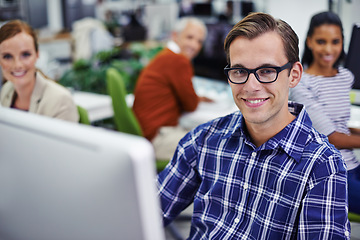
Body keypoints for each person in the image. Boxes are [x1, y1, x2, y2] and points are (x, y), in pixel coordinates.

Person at [157, 12, 350, 239]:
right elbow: (147, 210)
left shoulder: (322, 167)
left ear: (294, 75)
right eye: (239, 71)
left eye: (266, 71)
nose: (251, 86)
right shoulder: (204, 139)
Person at [290, 11, 360, 215]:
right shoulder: (302, 83)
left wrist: (354, 131)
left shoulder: (345, 77)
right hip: (329, 172)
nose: (329, 49)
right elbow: (330, 137)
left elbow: (338, 123)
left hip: (352, 165)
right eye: (321, 41)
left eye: (335, 41)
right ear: (310, 42)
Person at [133, 17, 212, 160]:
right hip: (158, 139)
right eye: (189, 37)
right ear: (175, 36)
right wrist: (196, 99)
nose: (194, 45)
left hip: (147, 136)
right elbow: (191, 105)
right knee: (215, 147)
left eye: (199, 41)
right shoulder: (178, 60)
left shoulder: (165, 56)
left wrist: (197, 98)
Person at [0, 20, 79, 122]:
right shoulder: (6, 90)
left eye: (25, 55)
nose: (17, 65)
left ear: (37, 55)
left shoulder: (61, 100)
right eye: (7, 56)